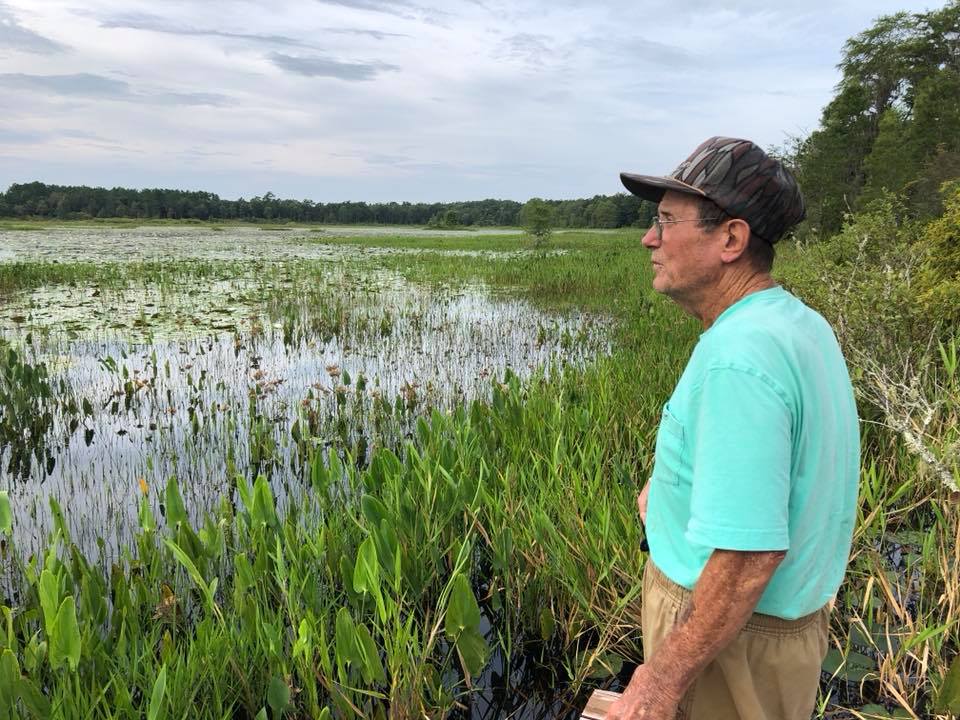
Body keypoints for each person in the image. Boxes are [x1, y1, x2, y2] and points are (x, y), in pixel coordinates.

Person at [606, 137, 860, 720]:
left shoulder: (738, 357)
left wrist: (656, 685)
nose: (650, 238)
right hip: (770, 632)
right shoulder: (797, 324)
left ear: (730, 239)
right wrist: (669, 496)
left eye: (667, 220)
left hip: (729, 641)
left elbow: (748, 555)